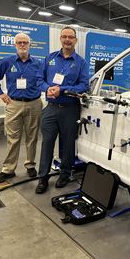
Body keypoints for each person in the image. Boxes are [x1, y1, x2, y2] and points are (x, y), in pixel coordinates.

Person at [35, 27, 89, 194]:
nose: (67, 40)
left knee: (67, 144)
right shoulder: (49, 58)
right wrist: (48, 88)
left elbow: (84, 85)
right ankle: (43, 177)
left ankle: (65, 174)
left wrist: (63, 89)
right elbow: (39, 80)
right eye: (64, 36)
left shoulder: (81, 63)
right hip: (50, 109)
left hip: (70, 109)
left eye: (70, 37)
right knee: (47, 143)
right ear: (60, 38)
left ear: (75, 40)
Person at [0, 33, 43, 183]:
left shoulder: (38, 63)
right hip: (14, 104)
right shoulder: (7, 61)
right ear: (14, 45)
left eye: (25, 42)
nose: (22, 45)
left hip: (34, 103)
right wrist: (0, 94)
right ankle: (8, 169)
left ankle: (30, 165)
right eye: (19, 42)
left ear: (29, 45)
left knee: (32, 137)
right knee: (13, 138)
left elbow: (45, 80)